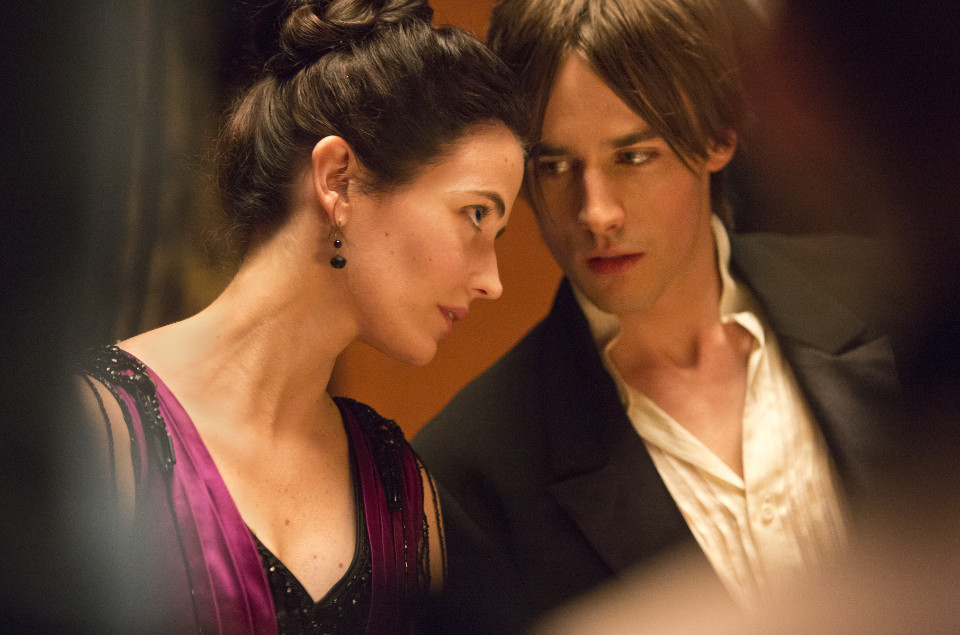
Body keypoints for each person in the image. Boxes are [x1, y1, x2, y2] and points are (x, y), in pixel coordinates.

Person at [413, 0, 902, 632]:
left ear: (719, 132)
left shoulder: (894, 303)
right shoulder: (467, 477)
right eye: (555, 167)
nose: (596, 213)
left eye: (633, 156)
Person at [73, 0, 526, 631]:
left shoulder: (402, 491)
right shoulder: (95, 428)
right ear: (337, 180)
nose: (492, 282)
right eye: (476, 215)